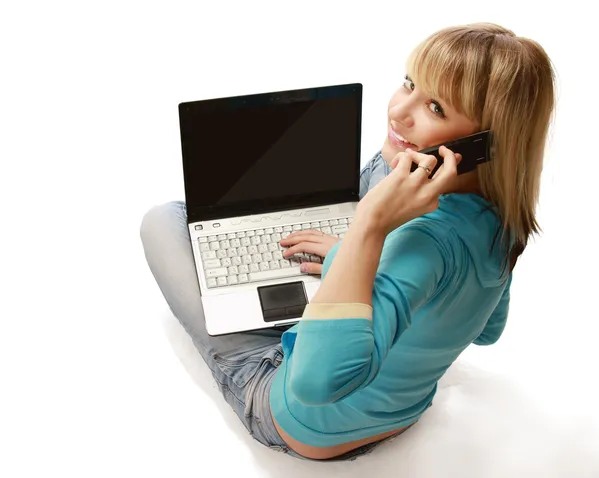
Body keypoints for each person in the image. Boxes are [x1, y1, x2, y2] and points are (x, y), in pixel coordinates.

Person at [140, 22, 556, 461]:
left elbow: (315, 384)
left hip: (297, 415)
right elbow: (487, 330)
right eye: (409, 83)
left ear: (484, 144)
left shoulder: (423, 242)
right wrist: (349, 258)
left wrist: (367, 231)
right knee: (386, 165)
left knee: (163, 220)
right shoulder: (505, 222)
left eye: (435, 107)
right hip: (400, 411)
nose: (399, 111)